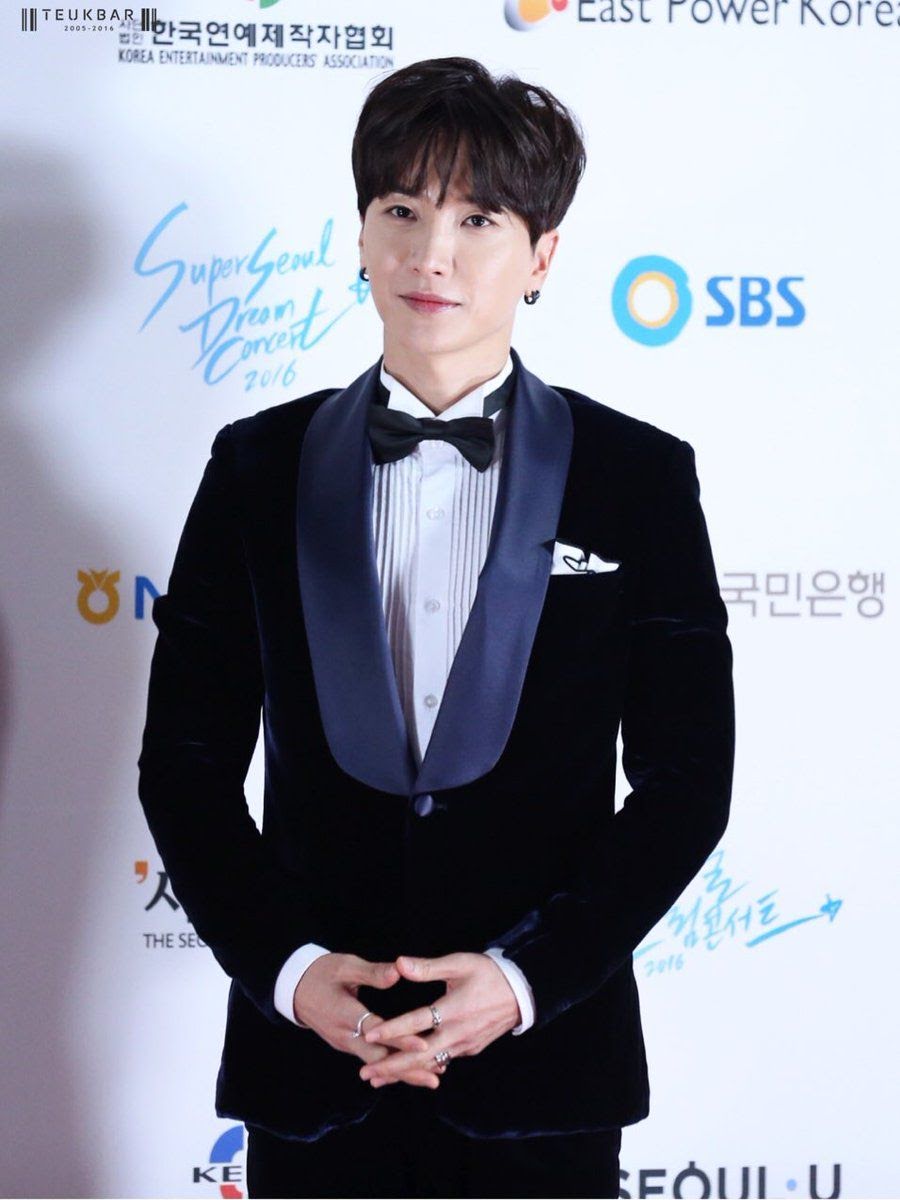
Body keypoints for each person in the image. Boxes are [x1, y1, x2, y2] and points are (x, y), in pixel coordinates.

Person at [137, 56, 735, 1200]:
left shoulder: (638, 477)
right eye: (402, 211)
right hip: (317, 1070)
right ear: (361, 232)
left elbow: (687, 780)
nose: (431, 254)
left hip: (542, 1078)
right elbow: (187, 763)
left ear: (542, 255)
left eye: (477, 219)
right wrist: (291, 972)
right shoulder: (256, 466)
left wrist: (525, 980)